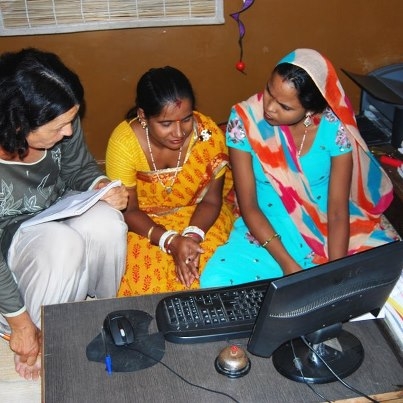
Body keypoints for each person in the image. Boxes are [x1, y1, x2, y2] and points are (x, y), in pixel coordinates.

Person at [201, 48, 399, 288]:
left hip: (327, 225)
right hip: (267, 229)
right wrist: (287, 265)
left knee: (382, 277)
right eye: (269, 92)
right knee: (218, 282)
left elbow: (337, 209)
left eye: (285, 107)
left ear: (311, 110)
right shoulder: (244, 119)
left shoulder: (333, 128)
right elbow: (249, 206)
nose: (270, 108)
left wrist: (334, 269)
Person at [0, 48, 128, 380]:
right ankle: (43, 334)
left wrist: (101, 185)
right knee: (62, 244)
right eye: (59, 127)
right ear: (17, 124)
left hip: (51, 212)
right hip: (7, 243)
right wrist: (21, 323)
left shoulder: (59, 117)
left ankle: (96, 312)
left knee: (107, 223)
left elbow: (78, 169)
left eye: (71, 121)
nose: (69, 132)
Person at [106, 66, 235, 296]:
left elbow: (212, 201)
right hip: (142, 223)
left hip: (200, 216)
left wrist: (191, 237)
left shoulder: (208, 137)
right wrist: (170, 241)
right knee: (146, 286)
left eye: (186, 119)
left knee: (212, 277)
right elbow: (129, 209)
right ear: (143, 116)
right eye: (166, 124)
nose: (179, 132)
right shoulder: (124, 144)